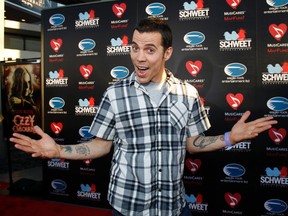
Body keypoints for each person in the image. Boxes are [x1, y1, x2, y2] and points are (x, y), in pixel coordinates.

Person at [10, 17, 277, 216]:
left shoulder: (188, 93)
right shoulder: (115, 94)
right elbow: (100, 145)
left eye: (149, 49)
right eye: (135, 48)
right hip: (128, 206)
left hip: (173, 207)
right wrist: (57, 150)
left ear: (167, 52)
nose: (139, 57)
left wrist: (231, 137)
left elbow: (192, 143)